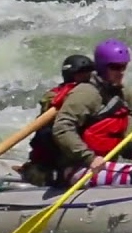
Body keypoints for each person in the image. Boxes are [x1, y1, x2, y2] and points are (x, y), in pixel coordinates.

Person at [45, 39, 132, 188]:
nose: (121, 72)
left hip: (102, 165)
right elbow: (62, 128)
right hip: (78, 167)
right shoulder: (86, 93)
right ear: (102, 67)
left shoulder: (120, 91)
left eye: (123, 67)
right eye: (115, 67)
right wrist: (89, 158)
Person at [19, 54, 96, 186]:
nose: (87, 78)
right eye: (82, 74)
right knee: (47, 134)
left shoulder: (92, 94)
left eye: (88, 74)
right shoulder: (56, 97)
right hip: (51, 159)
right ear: (70, 75)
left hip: (79, 156)